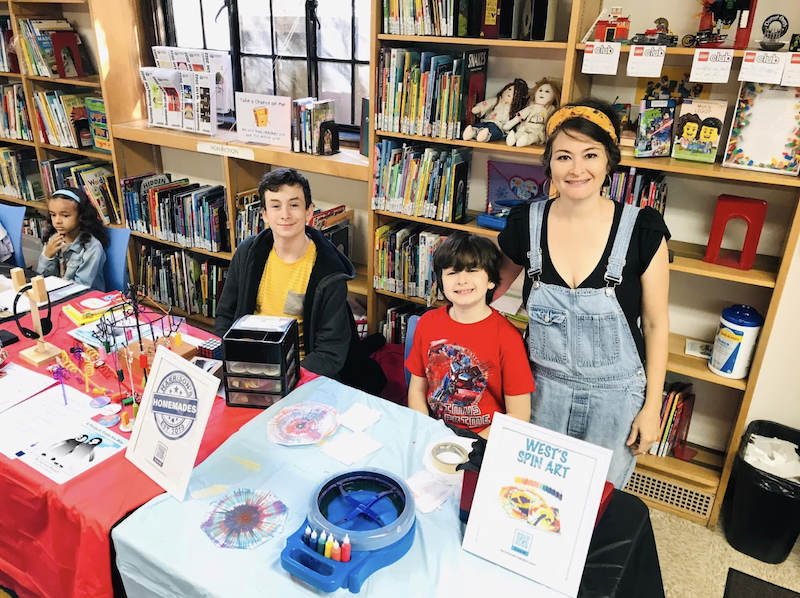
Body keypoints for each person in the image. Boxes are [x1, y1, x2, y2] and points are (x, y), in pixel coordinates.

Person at [495, 98, 670, 488]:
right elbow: (490, 290)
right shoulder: (526, 222)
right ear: (549, 164)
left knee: (595, 505)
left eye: (590, 155)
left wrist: (652, 406)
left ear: (609, 161)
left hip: (616, 400)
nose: (577, 170)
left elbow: (657, 324)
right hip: (537, 392)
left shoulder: (643, 230)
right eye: (563, 157)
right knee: (529, 495)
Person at [214, 168, 385, 393]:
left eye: (294, 205)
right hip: (246, 367)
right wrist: (226, 361)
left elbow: (330, 352)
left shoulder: (329, 271)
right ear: (264, 214)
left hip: (300, 373)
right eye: (275, 206)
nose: (285, 214)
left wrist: (284, 378)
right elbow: (225, 316)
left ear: (308, 212)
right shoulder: (248, 253)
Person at [405, 232, 535, 439]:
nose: (462, 280)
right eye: (452, 273)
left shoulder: (507, 337)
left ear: (491, 280)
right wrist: (427, 430)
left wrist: (471, 446)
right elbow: (417, 391)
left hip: (484, 440)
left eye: (472, 270)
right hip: (432, 433)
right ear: (441, 280)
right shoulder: (427, 323)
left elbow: (519, 414)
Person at [38, 188, 108, 291]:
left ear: (81, 216)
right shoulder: (53, 239)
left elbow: (81, 288)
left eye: (65, 215)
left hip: (84, 300)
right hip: (57, 295)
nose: (57, 221)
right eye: (53, 215)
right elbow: (42, 279)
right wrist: (48, 255)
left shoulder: (92, 248)